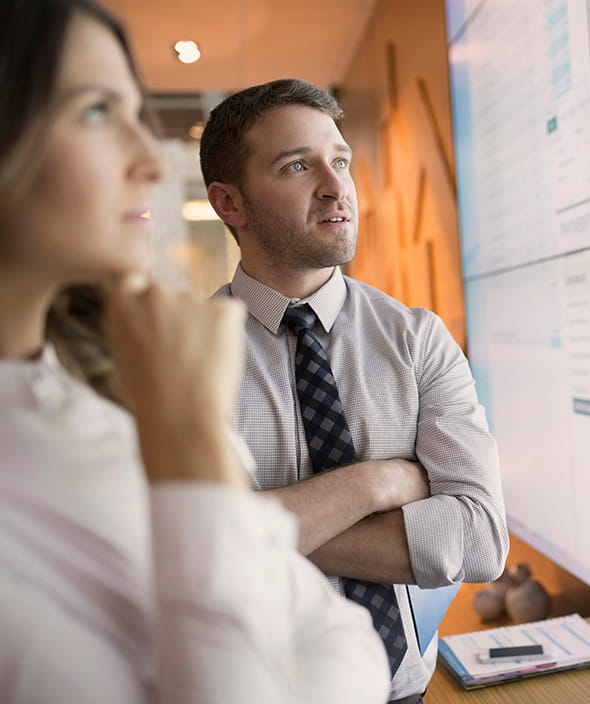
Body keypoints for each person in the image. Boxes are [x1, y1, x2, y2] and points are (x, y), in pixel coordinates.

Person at [0, 1, 391, 701]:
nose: (151, 160)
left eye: (340, 161)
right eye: (95, 111)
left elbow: (347, 637)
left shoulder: (110, 386)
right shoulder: (174, 392)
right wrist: (191, 446)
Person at [201, 78, 508, 703]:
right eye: (297, 165)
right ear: (230, 203)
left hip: (405, 691)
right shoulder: (185, 361)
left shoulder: (418, 340)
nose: (336, 186)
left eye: (340, 160)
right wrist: (375, 484)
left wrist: (257, 531)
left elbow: (480, 540)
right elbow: (194, 563)